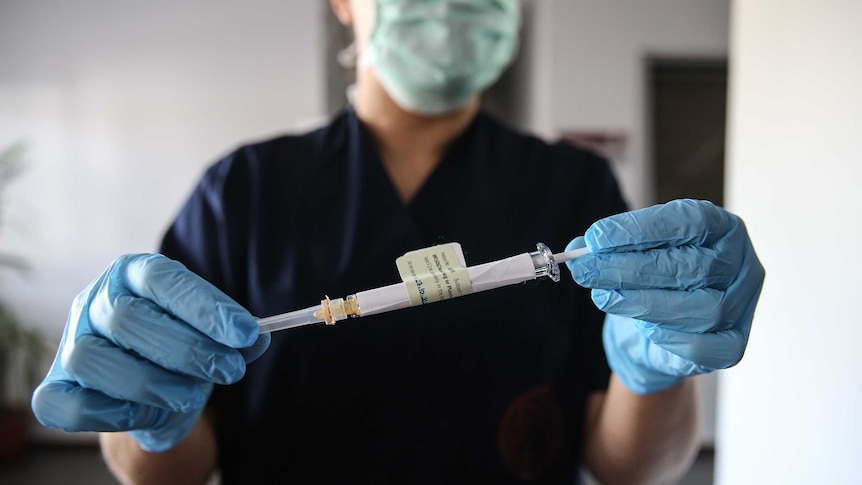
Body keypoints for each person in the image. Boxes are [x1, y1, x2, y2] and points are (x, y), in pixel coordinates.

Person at [31, 1, 764, 483]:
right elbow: (160, 467)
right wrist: (147, 419)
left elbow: (632, 466)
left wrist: (654, 375)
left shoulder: (576, 190)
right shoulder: (244, 191)